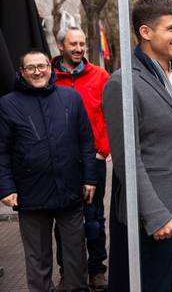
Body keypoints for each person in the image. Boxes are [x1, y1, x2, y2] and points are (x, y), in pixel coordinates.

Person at [102, 0, 172, 292]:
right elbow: (128, 159)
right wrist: (156, 215)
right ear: (146, 32)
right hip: (155, 219)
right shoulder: (122, 84)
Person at [0, 50, 96, 292]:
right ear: (21, 72)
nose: (37, 71)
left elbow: (86, 141)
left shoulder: (71, 98)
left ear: (50, 68)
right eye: (30, 67)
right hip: (30, 194)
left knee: (76, 254)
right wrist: (6, 187)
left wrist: (90, 179)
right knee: (37, 258)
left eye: (42, 66)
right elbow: (1, 150)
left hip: (70, 191)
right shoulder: (7, 104)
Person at [52, 26, 110, 291]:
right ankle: (69, 270)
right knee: (63, 218)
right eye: (73, 44)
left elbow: (110, 115)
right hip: (61, 161)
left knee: (95, 217)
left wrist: (103, 150)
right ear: (61, 46)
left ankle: (97, 268)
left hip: (94, 159)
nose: (78, 49)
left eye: (82, 44)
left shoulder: (100, 76)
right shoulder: (48, 76)